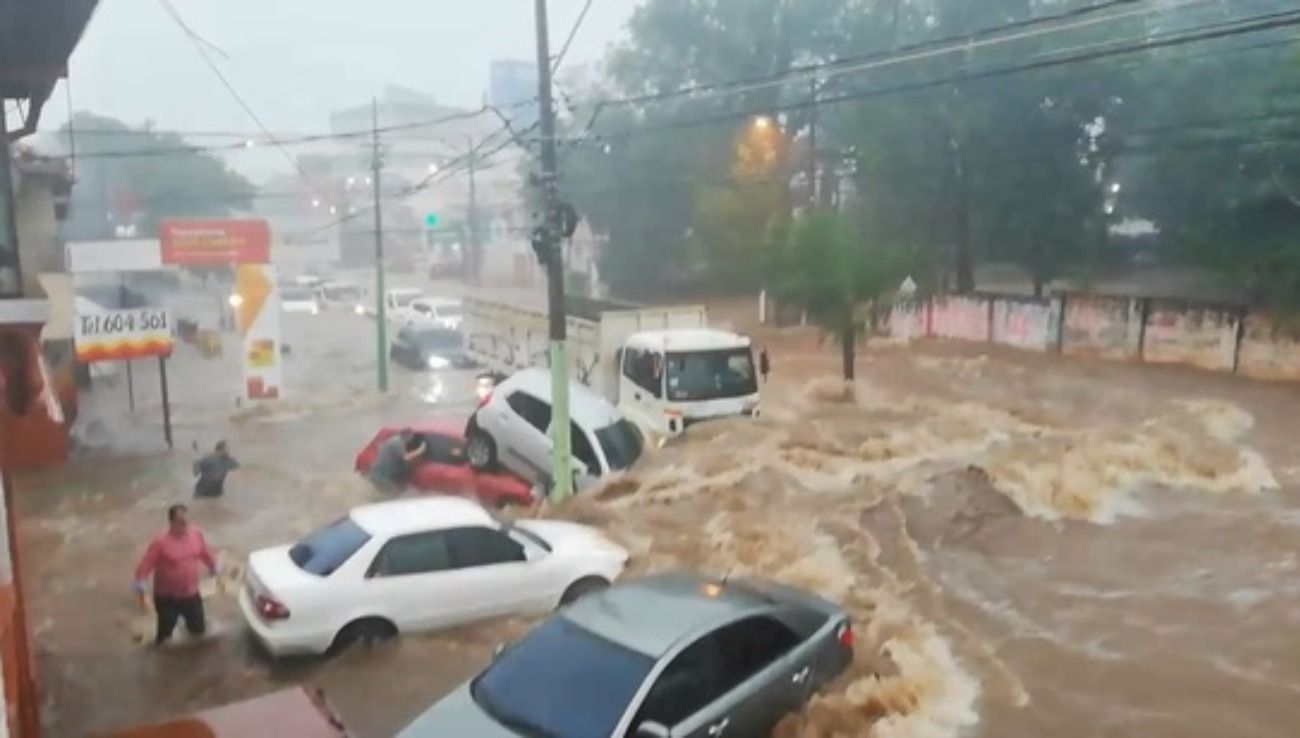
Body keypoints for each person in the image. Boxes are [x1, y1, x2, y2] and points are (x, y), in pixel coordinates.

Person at [132, 504, 218, 647]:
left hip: (191, 594)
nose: (185, 525)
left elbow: (205, 552)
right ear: (171, 523)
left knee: (198, 632)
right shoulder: (160, 542)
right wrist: (141, 590)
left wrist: (213, 567)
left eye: (186, 521)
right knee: (165, 639)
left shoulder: (196, 534)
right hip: (167, 598)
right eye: (181, 521)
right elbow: (144, 566)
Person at [367, 428, 426, 494]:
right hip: (381, 476)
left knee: (389, 493)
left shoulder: (394, 440)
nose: (411, 439)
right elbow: (406, 458)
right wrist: (420, 450)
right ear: (407, 436)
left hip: (379, 474)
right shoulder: (398, 444)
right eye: (411, 437)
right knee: (391, 494)